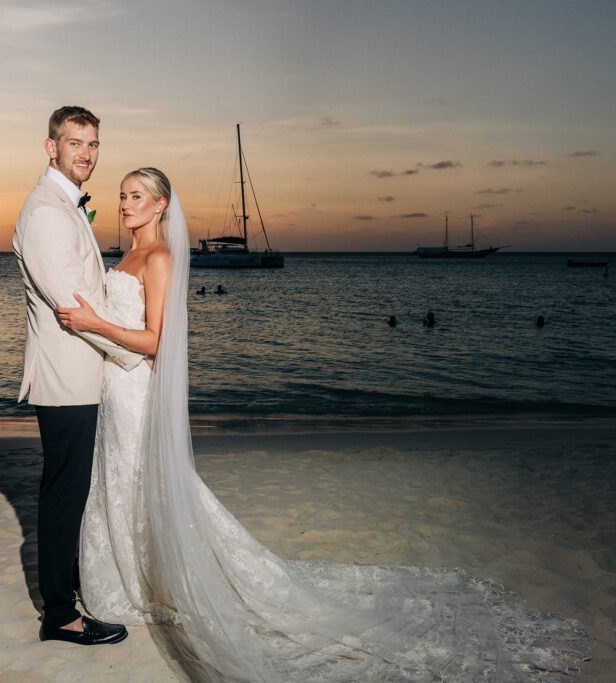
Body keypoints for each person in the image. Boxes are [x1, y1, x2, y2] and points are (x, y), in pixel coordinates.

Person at [57, 168, 589, 680]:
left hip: (137, 391)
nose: (125, 204)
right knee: (123, 482)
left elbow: (157, 341)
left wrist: (95, 323)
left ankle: (156, 582)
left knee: (143, 481)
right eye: (122, 195)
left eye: (136, 196)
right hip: (114, 388)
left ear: (160, 205)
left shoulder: (160, 258)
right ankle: (131, 577)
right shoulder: (127, 254)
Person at [13, 106, 141, 646]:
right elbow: (74, 307)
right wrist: (133, 354)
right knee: (65, 494)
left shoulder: (65, 205)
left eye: (93, 144)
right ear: (51, 147)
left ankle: (70, 588)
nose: (86, 154)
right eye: (74, 143)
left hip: (80, 372)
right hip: (66, 377)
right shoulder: (46, 212)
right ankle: (61, 615)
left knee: (72, 490)